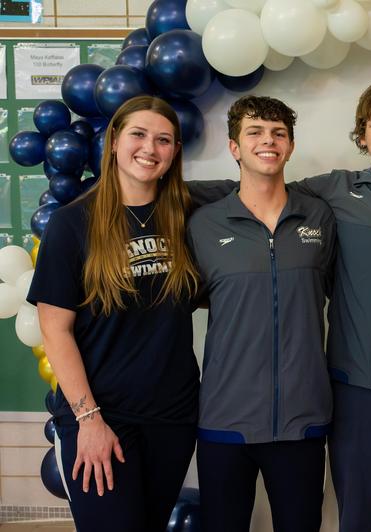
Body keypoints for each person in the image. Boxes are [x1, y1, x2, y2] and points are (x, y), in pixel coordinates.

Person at [189, 80, 371, 531]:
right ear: (362, 136)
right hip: (350, 388)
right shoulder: (333, 191)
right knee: (353, 519)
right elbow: (262, 183)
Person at [27, 96, 200, 532]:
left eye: (163, 140)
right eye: (139, 135)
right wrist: (89, 421)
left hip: (172, 418)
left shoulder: (188, 217)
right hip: (102, 418)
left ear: (175, 152)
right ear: (115, 140)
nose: (150, 148)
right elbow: (55, 329)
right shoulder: (72, 224)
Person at [187, 96, 336, 532]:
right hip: (224, 419)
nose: (267, 141)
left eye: (278, 134)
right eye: (254, 132)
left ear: (289, 147)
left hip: (301, 420)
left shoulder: (320, 218)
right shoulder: (204, 225)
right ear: (234, 147)